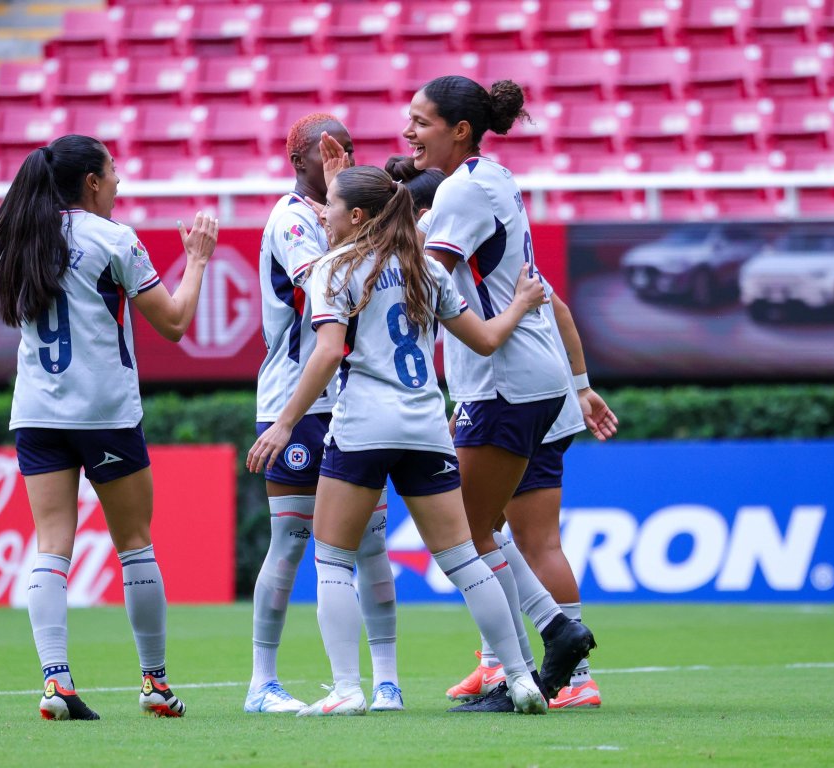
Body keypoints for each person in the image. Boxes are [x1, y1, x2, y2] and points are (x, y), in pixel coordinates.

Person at [247, 165, 551, 717]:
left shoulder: (335, 269)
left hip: (363, 427)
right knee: (464, 560)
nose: (322, 214)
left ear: (357, 216)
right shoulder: (425, 268)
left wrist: (286, 421)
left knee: (334, 561)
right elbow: (483, 341)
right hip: (427, 430)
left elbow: (327, 352)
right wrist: (520, 305)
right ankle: (520, 678)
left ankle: (347, 689)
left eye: (331, 206)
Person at [0, 134, 218, 721]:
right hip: (104, 412)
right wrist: (200, 259)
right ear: (91, 182)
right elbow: (177, 323)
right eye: (113, 174)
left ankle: (57, 683)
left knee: (51, 546)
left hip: (37, 411)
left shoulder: (19, 239)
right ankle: (155, 684)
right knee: (135, 544)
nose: (118, 183)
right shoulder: (112, 239)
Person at [403, 75, 597, 706]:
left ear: (459, 131)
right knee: (486, 529)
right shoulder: (495, 176)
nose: (409, 133)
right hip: (530, 379)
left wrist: (374, 236)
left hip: (503, 381)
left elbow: (425, 285)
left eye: (421, 122)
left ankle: (535, 655)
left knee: (466, 531)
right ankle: (536, 656)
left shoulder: (461, 191)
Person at [249, 113, 402, 714]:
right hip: (297, 398)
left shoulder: (351, 220)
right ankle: (263, 683)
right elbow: (328, 289)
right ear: (299, 162)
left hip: (355, 399)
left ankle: (386, 681)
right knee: (290, 541)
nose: (342, 160)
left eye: (350, 149)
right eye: (329, 152)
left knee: (371, 543)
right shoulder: (291, 219)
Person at [446, 282, 619, 709]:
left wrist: (580, 388)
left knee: (533, 542)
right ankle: (495, 663)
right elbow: (553, 307)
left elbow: (555, 306)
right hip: (506, 398)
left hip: (519, 401)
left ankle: (577, 679)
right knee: (487, 533)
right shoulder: (469, 238)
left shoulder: (449, 231)